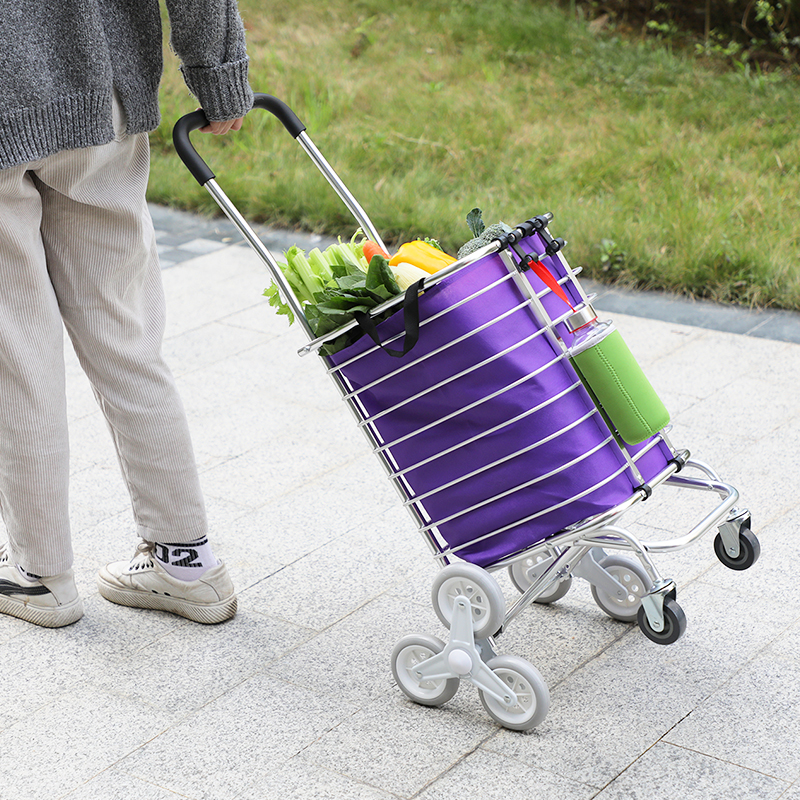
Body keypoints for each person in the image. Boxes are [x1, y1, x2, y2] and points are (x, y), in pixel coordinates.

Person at [0, 0, 254, 627]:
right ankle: (186, 560)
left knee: (17, 350)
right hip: (101, 93)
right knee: (127, 340)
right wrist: (219, 72)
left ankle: (41, 576)